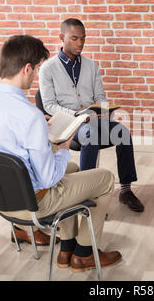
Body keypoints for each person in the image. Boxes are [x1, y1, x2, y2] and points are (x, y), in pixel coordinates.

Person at [0, 35, 122, 272]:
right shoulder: (30, 116)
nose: (36, 75)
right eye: (36, 69)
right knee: (105, 178)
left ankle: (67, 247)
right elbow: (49, 178)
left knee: (73, 170)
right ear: (26, 68)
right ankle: (85, 253)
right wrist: (63, 147)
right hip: (33, 203)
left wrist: (45, 140)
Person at [39, 18, 144, 213]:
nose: (80, 43)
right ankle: (86, 192)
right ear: (62, 37)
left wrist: (103, 110)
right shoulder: (48, 68)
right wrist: (78, 115)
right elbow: (49, 105)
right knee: (90, 134)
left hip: (93, 120)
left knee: (123, 132)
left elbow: (100, 97)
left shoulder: (91, 66)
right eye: (75, 38)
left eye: (83, 38)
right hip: (69, 125)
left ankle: (126, 190)